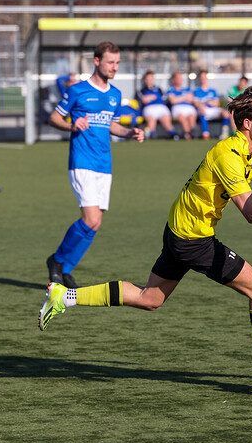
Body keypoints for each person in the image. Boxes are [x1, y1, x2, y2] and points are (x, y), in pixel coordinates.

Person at [38, 86, 252, 390]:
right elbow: (251, 213)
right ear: (247, 124)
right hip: (193, 240)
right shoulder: (227, 154)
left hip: (179, 230)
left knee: (151, 298)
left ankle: (64, 296)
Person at [45, 41, 145, 289]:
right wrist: (71, 125)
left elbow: (111, 125)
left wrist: (130, 132)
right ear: (97, 61)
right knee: (90, 219)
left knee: (96, 223)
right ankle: (57, 262)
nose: (114, 67)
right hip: (82, 161)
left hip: (104, 163)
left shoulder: (114, 94)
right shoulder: (78, 90)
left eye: (117, 63)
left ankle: (65, 269)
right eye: (110, 62)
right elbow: (54, 117)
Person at [137, 70, 176, 139]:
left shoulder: (159, 89)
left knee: (167, 122)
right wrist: (149, 98)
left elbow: (164, 98)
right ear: (144, 80)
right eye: (147, 79)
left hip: (161, 107)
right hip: (149, 108)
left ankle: (174, 135)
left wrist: (153, 98)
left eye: (151, 79)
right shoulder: (141, 90)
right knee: (151, 122)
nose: (149, 81)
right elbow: (142, 100)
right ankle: (148, 135)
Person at [193, 70, 230, 140]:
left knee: (225, 113)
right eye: (201, 77)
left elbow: (217, 103)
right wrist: (207, 102)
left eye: (204, 77)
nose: (203, 79)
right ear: (199, 79)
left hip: (213, 109)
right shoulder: (196, 91)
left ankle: (224, 133)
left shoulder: (212, 90)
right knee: (202, 111)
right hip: (203, 110)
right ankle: (205, 134)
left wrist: (207, 102)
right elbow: (196, 103)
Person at [166, 71, 197, 140]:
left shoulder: (187, 89)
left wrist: (179, 98)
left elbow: (191, 99)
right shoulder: (171, 89)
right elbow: (173, 101)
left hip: (188, 107)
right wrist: (184, 97)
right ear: (173, 80)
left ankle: (192, 133)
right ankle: (187, 134)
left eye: (181, 78)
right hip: (177, 107)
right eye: (178, 78)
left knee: (191, 116)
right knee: (182, 116)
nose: (180, 80)